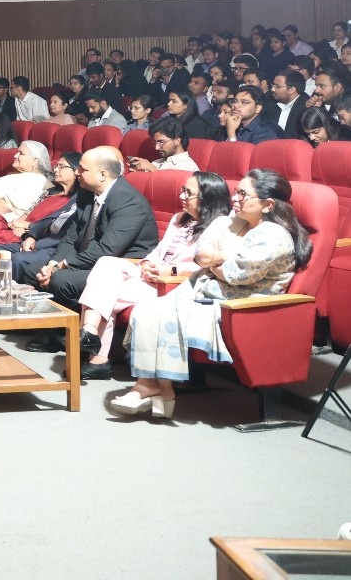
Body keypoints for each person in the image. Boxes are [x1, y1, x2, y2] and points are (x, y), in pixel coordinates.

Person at [111, 169, 311, 419]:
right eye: (236, 191)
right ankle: (159, 389)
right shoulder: (236, 221)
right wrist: (222, 258)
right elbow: (200, 253)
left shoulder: (273, 234)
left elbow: (235, 274)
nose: (234, 198)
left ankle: (150, 388)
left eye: (243, 194)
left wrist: (214, 262)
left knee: (156, 313)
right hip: (205, 294)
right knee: (147, 310)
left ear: (268, 204)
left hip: (239, 306)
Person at [73, 171, 230, 380]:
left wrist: (171, 271)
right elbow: (158, 250)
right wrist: (147, 263)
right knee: (106, 263)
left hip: (175, 285)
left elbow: (209, 265)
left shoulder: (220, 225)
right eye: (183, 190)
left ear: (208, 198)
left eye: (188, 193)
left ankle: (97, 357)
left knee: (104, 292)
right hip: (152, 274)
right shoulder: (178, 219)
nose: (181, 196)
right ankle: (90, 333)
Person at [25, 146, 160, 351]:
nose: (77, 172)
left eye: (83, 169)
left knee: (61, 280)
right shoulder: (87, 193)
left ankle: (67, 336)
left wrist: (61, 266)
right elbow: (71, 237)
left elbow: (107, 249)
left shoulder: (129, 201)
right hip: (90, 260)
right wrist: (53, 263)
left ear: (103, 174)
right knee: (32, 269)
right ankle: (52, 330)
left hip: (119, 269)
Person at [128, 116, 198, 173]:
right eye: (155, 143)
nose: (157, 148)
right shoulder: (157, 162)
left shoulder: (188, 167)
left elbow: (172, 186)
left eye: (161, 142)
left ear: (177, 140)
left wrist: (153, 170)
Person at [269, 71, 309, 141]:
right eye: (273, 85)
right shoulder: (271, 103)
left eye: (277, 86)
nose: (272, 89)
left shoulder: (306, 107)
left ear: (291, 90)